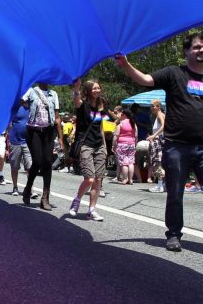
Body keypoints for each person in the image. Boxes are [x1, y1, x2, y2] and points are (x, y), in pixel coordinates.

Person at [116, 33, 203, 260]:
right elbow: (145, 80)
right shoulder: (174, 73)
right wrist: (126, 64)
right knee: (176, 193)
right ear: (186, 51)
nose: (202, 51)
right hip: (177, 146)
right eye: (197, 47)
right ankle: (173, 234)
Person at [67, 79, 113, 220]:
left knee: (98, 179)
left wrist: (105, 147)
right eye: (94, 88)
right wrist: (76, 88)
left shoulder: (101, 107)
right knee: (89, 179)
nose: (97, 90)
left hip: (99, 145)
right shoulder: (83, 105)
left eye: (98, 88)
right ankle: (76, 201)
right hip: (86, 145)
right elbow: (76, 100)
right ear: (88, 90)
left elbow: (101, 128)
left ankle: (92, 209)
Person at [20, 83, 64, 210]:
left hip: (49, 131)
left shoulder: (53, 94)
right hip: (33, 131)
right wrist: (28, 107)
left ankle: (45, 197)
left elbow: (57, 117)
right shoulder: (31, 91)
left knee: (47, 162)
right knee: (37, 161)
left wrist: (60, 137)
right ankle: (28, 187)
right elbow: (21, 101)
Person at [7, 106, 33, 196]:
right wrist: (8, 139)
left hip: (27, 142)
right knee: (14, 167)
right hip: (14, 141)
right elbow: (8, 124)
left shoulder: (32, 108)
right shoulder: (14, 108)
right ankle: (15, 187)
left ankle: (30, 189)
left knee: (30, 166)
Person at [113, 109, 137, 185]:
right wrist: (135, 145)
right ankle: (131, 179)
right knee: (131, 162)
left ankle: (125, 179)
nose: (120, 115)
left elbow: (116, 136)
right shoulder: (134, 124)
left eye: (121, 114)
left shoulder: (121, 124)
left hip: (122, 144)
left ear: (124, 115)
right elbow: (136, 136)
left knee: (124, 163)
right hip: (132, 144)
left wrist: (113, 145)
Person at [147, 100, 166, 192]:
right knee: (160, 163)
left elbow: (163, 126)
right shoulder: (160, 115)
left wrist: (154, 136)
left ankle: (160, 186)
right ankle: (161, 185)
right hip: (160, 141)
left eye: (153, 106)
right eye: (151, 106)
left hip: (159, 141)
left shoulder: (159, 115)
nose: (151, 107)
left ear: (158, 106)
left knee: (159, 164)